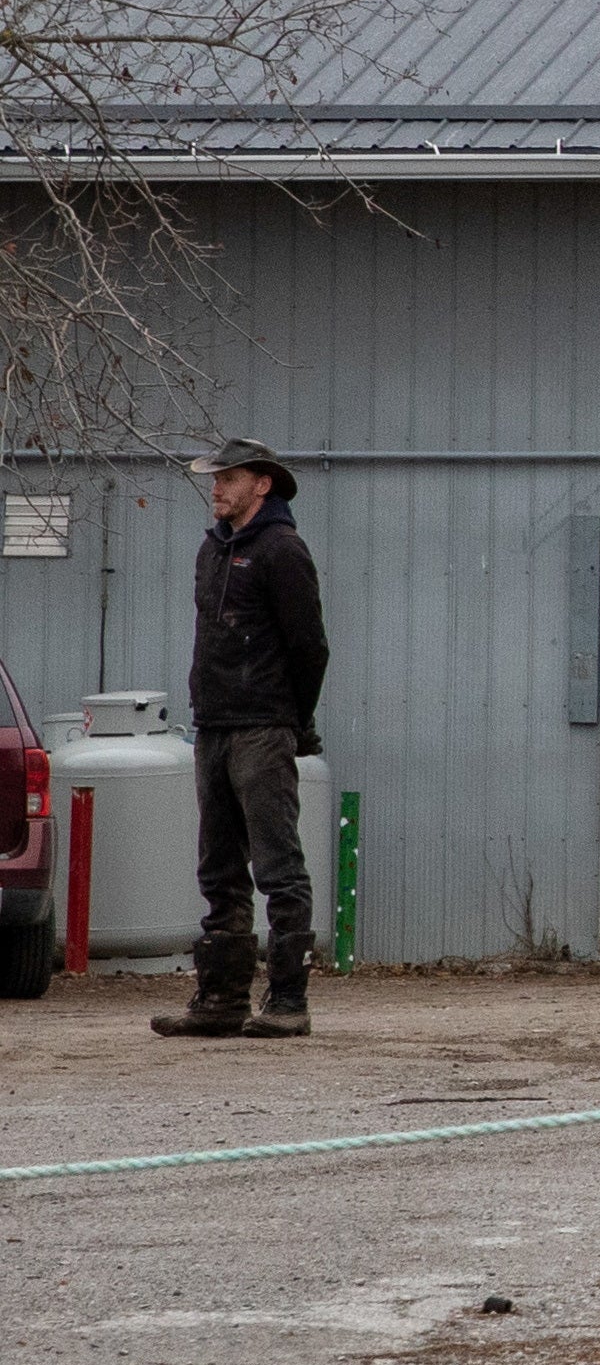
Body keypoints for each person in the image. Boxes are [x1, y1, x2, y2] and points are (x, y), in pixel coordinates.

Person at [156, 438, 325, 1042]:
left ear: (263, 485)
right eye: (215, 477)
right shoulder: (212, 551)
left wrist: (292, 720)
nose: (217, 487)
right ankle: (222, 1000)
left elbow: (310, 647)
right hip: (215, 725)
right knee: (219, 865)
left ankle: (286, 1000)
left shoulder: (283, 550)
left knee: (277, 865)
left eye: (229, 478)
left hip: (262, 726)